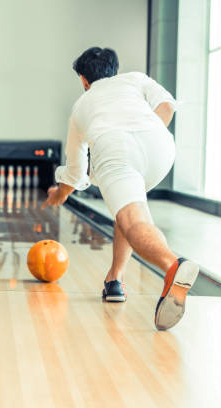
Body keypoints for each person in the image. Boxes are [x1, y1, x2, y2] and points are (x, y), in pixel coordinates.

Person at [42, 47, 199, 330]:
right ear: (115, 70)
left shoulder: (80, 106)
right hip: (160, 145)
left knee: (134, 220)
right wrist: (145, 133)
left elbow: (76, 171)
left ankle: (173, 265)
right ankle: (115, 279)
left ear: (83, 80)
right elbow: (166, 106)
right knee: (127, 210)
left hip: (116, 150)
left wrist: (60, 193)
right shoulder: (135, 79)